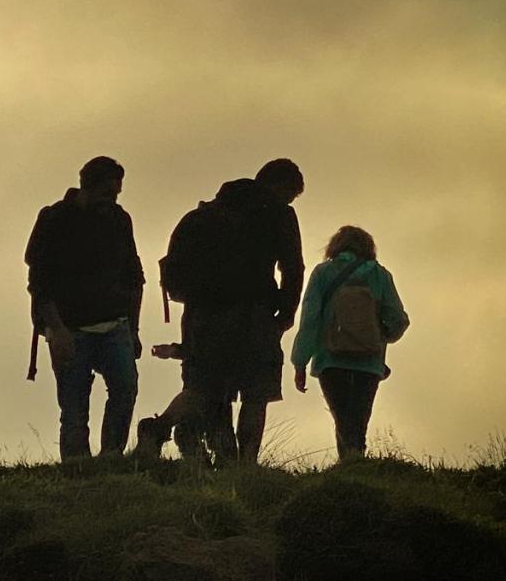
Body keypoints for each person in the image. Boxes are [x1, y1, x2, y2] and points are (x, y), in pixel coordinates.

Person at [138, 159, 305, 464]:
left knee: (203, 389)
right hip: (255, 315)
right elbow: (293, 267)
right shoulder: (278, 213)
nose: (290, 201)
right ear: (281, 188)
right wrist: (287, 311)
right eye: (291, 195)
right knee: (256, 393)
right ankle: (246, 465)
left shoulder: (203, 215)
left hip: (203, 315)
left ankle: (157, 428)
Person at [25, 156, 145, 460]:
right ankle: (77, 467)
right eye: (108, 192)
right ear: (86, 186)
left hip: (114, 324)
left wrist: (133, 328)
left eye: (117, 193)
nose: (113, 200)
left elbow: (134, 277)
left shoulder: (119, 219)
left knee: (125, 389)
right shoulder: (54, 219)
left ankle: (111, 457)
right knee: (74, 406)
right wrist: (56, 329)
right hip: (69, 328)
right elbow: (39, 281)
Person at [291, 226, 409, 461]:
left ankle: (350, 468)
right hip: (368, 362)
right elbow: (398, 319)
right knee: (358, 420)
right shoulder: (380, 275)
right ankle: (356, 465)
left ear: (334, 246)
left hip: (331, 360)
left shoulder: (323, 273)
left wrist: (300, 362)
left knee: (342, 419)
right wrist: (381, 337)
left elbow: (310, 319)